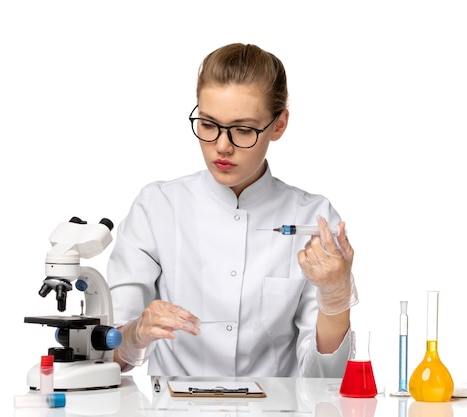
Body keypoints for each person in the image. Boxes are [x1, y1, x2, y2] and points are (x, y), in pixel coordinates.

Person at [107, 43, 358, 378]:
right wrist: (136, 332)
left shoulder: (313, 219)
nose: (222, 146)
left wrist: (335, 299)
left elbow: (326, 380)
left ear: (279, 125)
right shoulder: (158, 208)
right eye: (209, 125)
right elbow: (109, 358)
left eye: (243, 130)